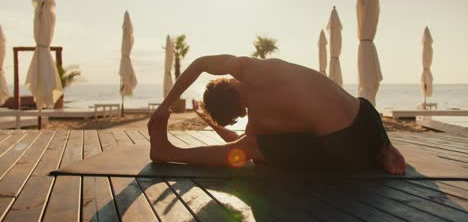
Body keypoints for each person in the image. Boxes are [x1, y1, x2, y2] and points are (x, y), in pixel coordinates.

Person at [148, 55, 406, 174]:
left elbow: (236, 150)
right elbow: (202, 64)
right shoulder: (258, 69)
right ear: (229, 81)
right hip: (368, 121)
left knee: (253, 153)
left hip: (346, 152)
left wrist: (174, 110)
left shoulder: (260, 123)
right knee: (347, 107)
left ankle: (168, 152)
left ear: (235, 112)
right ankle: (382, 148)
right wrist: (166, 104)